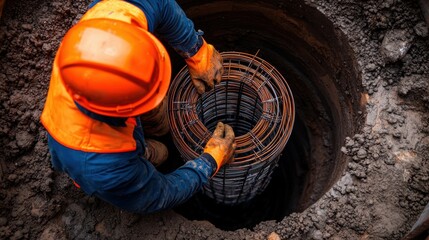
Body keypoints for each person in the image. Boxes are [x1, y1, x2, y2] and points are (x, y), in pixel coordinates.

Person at [40, 0, 236, 214]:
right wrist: (209, 162)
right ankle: (143, 153)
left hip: (113, 121)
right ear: (126, 111)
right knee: (160, 155)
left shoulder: (112, 20)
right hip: (96, 152)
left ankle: (156, 136)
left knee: (161, 124)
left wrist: (197, 52)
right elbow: (160, 194)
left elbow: (158, 3)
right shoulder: (100, 168)